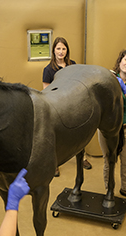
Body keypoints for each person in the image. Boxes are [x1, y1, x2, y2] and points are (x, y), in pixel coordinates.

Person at [98, 47, 126, 202]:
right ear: (120, 60)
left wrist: (124, 88)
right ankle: (108, 189)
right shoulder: (108, 77)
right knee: (108, 160)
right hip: (108, 129)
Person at [42, 36, 92, 176]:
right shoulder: (48, 69)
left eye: (64, 48)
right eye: (58, 48)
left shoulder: (73, 65)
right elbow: (46, 91)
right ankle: (55, 163)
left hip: (74, 104)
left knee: (79, 132)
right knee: (57, 136)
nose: (61, 51)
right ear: (54, 50)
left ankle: (82, 158)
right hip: (57, 106)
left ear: (67, 50)